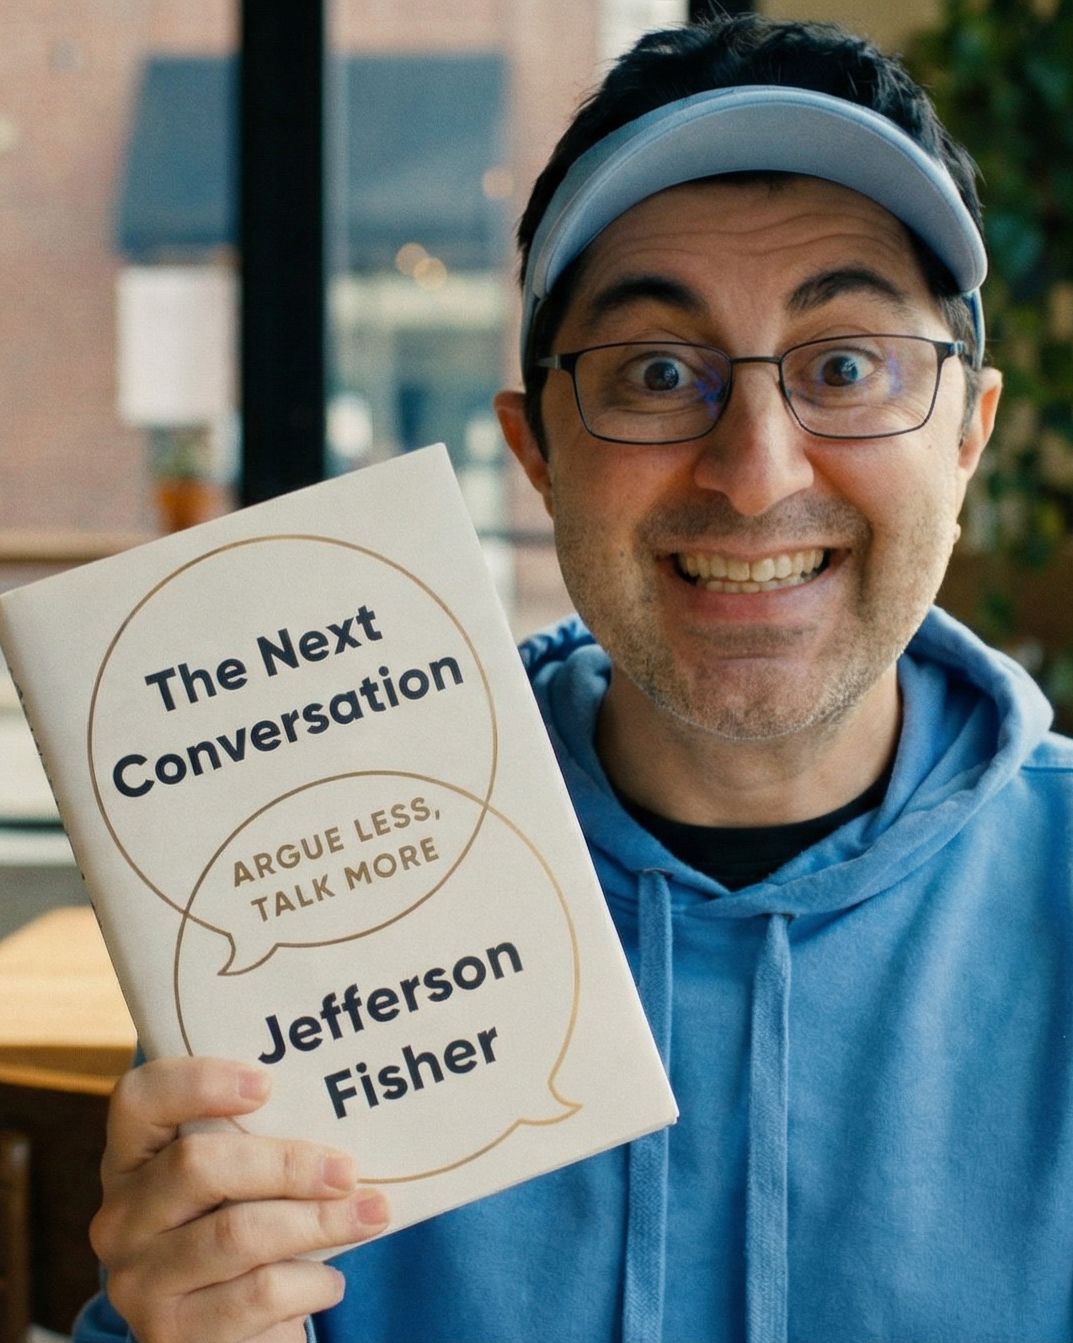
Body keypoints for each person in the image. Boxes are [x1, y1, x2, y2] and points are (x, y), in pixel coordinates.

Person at [75, 14, 1073, 1343]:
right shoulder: (307, 903)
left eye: (844, 365)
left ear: (968, 434)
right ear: (534, 451)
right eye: (657, 372)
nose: (756, 473)